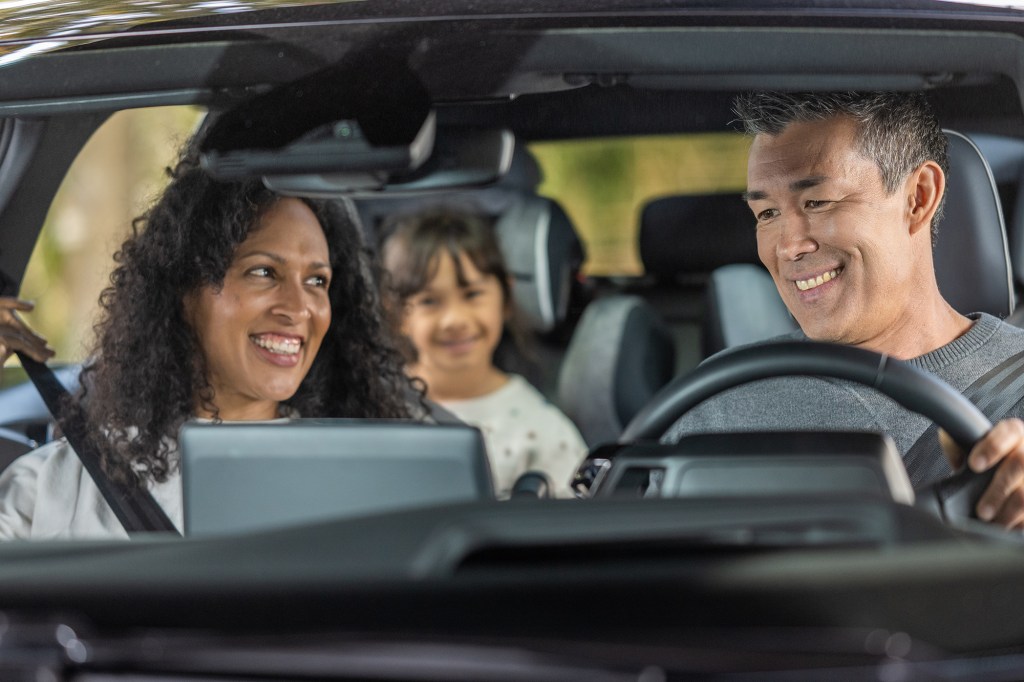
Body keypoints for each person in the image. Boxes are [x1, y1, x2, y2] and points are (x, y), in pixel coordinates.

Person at [0, 138, 417, 539]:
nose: (299, 307)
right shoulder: (54, 489)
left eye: (316, 280)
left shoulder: (370, 480)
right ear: (184, 290)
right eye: (263, 272)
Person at [664, 91, 1024, 529]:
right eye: (767, 213)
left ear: (918, 197)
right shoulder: (715, 398)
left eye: (817, 202)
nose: (788, 246)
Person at [379, 207, 587, 499]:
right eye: (430, 301)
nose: (455, 320)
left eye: (473, 295)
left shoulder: (542, 433)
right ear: (397, 312)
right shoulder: (369, 407)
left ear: (505, 298)